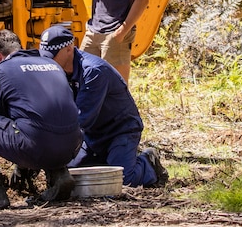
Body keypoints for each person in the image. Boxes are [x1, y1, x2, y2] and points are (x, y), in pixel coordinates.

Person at [0, 29, 82, 210]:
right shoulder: (50, 63)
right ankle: (59, 174)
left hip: (36, 146)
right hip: (72, 146)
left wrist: (22, 163)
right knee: (46, 123)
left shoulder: (0, 71)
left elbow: (1, 121)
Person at [38, 24, 168, 188]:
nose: (48, 62)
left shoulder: (93, 71)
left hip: (120, 130)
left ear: (69, 49)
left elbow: (81, 119)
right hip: (94, 134)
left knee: (123, 181)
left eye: (52, 56)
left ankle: (148, 163)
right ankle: (107, 161)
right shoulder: (55, 70)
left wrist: (55, 147)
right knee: (72, 174)